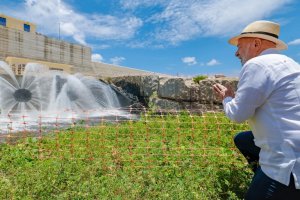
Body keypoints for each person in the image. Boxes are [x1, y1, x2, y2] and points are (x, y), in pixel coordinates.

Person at [213, 20, 300, 199]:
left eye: (239, 46)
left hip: (287, 160)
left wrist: (227, 98)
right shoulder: (292, 64)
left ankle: (270, 179)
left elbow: (237, 115)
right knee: (244, 139)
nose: (236, 52)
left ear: (256, 43)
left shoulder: (257, 65)